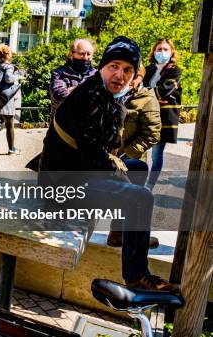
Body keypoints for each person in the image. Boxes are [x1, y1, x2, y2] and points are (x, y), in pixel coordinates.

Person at [38, 36, 176, 292]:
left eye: (128, 70)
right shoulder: (90, 98)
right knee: (140, 198)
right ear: (101, 67)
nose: (120, 75)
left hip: (76, 173)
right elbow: (97, 161)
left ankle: (122, 231)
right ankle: (136, 276)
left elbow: (106, 151)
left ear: (135, 74)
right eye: (114, 66)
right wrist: (122, 180)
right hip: (61, 188)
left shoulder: (104, 94)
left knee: (138, 167)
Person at [107, 65, 161, 247]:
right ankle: (116, 234)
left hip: (132, 158)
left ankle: (136, 239)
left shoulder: (147, 98)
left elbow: (152, 134)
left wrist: (127, 153)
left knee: (135, 199)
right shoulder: (114, 93)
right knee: (119, 198)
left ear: (142, 78)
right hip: (110, 156)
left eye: (137, 76)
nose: (132, 79)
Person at [143, 39, 181, 190]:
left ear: (172, 52)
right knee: (137, 149)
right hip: (144, 115)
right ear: (154, 51)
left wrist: (147, 94)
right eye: (159, 49)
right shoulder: (148, 69)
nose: (162, 52)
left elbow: (166, 90)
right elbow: (138, 88)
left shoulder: (175, 71)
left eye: (166, 49)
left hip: (163, 118)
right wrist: (156, 97)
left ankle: (149, 186)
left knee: (156, 155)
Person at [49, 38, 96, 119]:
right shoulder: (59, 73)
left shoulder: (97, 75)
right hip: (62, 126)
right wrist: (87, 91)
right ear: (72, 54)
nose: (85, 57)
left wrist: (72, 90)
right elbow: (59, 95)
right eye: (82, 54)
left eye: (88, 54)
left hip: (88, 127)